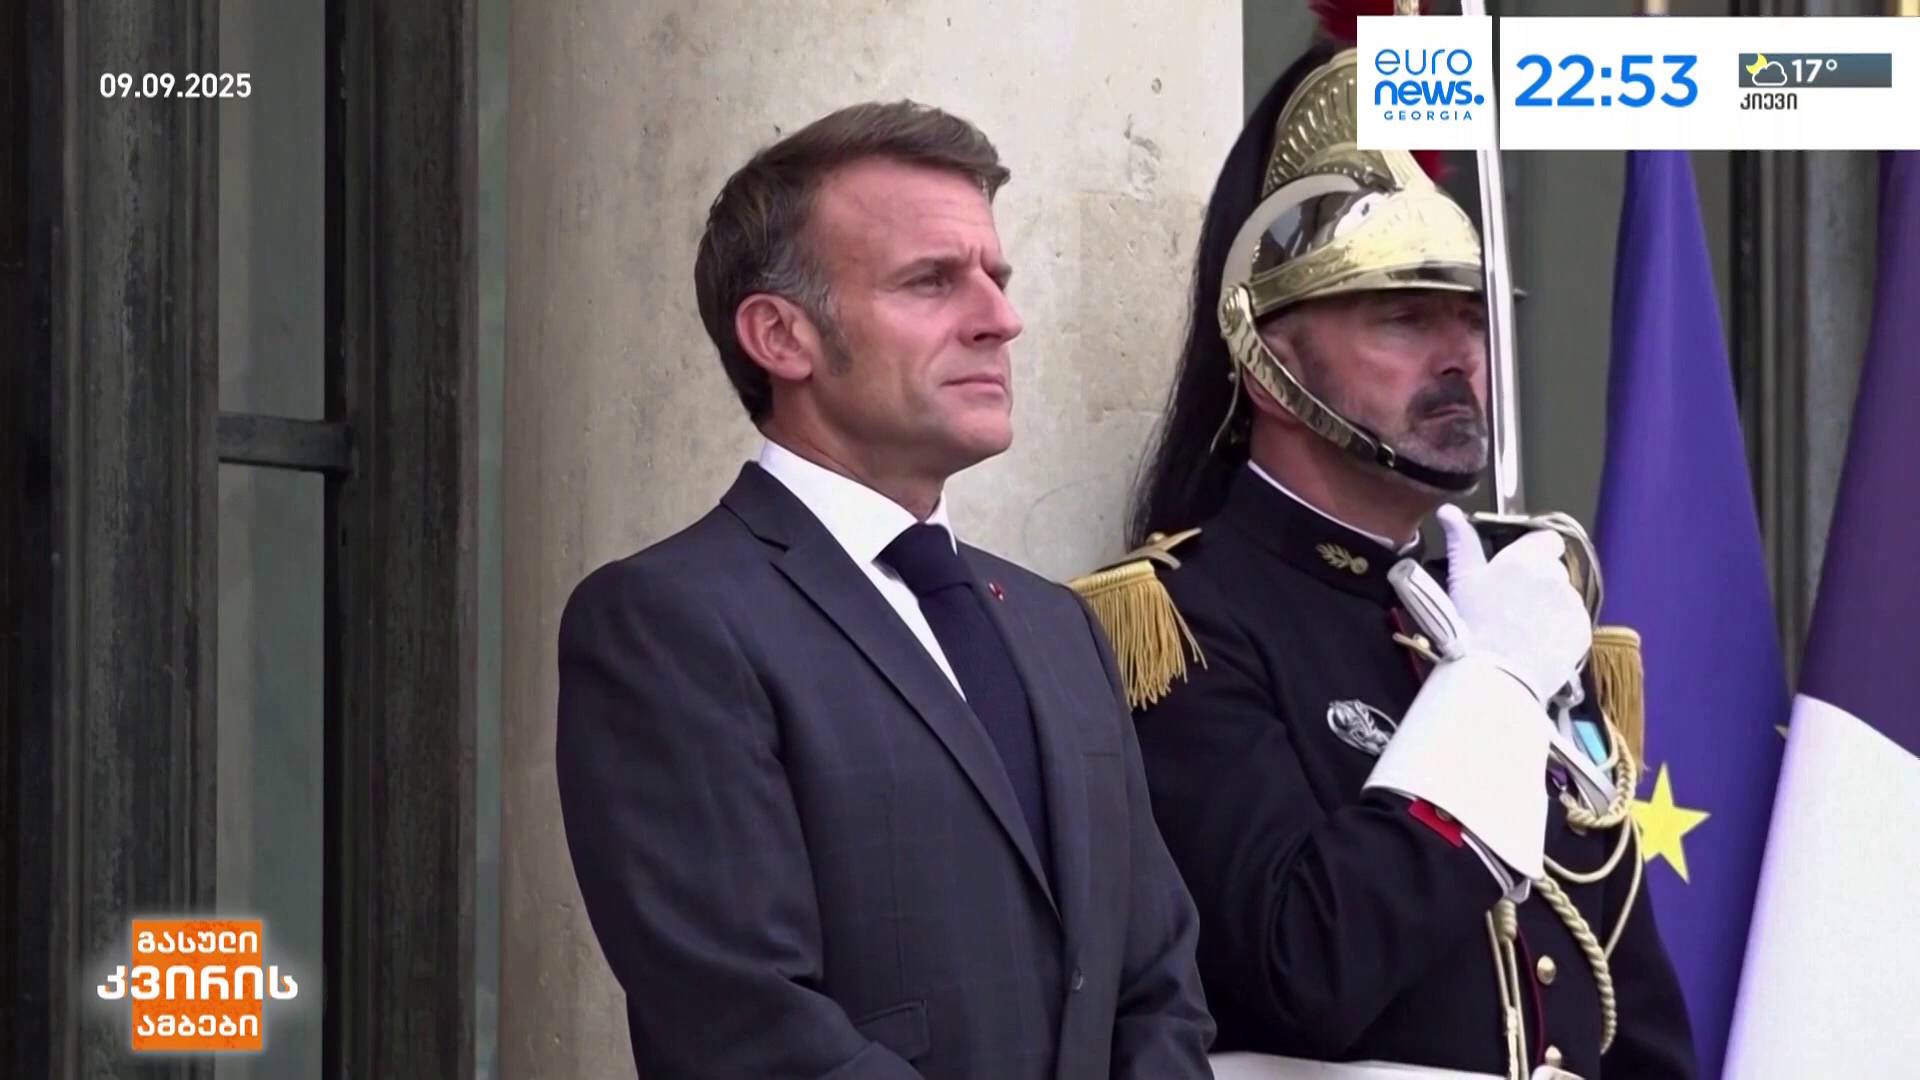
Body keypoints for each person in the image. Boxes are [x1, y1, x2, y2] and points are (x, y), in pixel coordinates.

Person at [1068, 31, 1696, 1080]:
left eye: (1475, 322)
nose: (1461, 359)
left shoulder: (1515, 612)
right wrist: (1491, 692)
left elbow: (1635, 1023)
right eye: (1404, 320)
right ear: (1268, 369)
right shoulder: (1179, 627)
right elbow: (1303, 966)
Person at [555, 100, 1215, 1079]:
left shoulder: (1058, 625)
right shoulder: (668, 621)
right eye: (931, 282)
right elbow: (747, 1021)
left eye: (996, 279)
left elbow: (1157, 982)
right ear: (781, 335)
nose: (1000, 319)